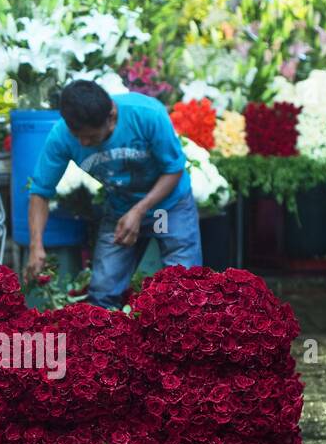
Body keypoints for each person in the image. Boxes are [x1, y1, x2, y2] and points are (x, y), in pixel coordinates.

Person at [24, 81, 200, 309]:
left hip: (163, 210)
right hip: (120, 212)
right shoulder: (61, 136)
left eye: (91, 136)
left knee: (183, 285)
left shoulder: (146, 115)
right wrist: (36, 246)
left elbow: (173, 169)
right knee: (103, 293)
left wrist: (140, 211)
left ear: (112, 116)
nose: (83, 143)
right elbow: (40, 192)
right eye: (77, 135)